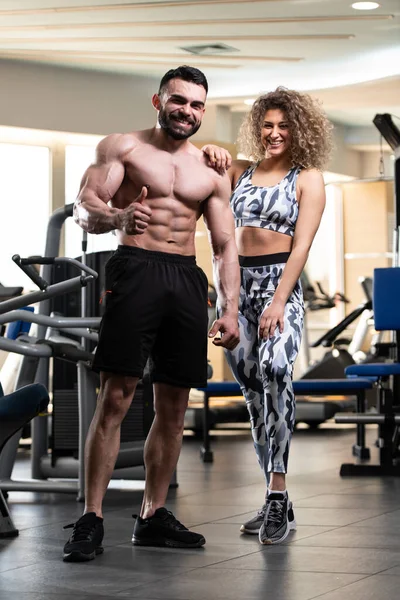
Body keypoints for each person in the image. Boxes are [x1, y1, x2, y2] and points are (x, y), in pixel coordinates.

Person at [62, 65, 240, 562]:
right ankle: (91, 518)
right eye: (178, 100)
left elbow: (226, 246)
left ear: (204, 111)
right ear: (158, 101)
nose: (187, 110)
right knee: (117, 396)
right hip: (136, 267)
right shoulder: (122, 148)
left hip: (185, 278)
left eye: (197, 104)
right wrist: (118, 216)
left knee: (175, 405)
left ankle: (152, 515)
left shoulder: (211, 168)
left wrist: (231, 310)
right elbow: (83, 207)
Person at [202, 87, 333, 545]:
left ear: (299, 128)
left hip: (280, 288)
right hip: (239, 291)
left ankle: (278, 493)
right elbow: (205, 172)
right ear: (258, 127)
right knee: (255, 400)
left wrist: (279, 300)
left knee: (277, 371)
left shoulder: (308, 177)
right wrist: (213, 150)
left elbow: (302, 245)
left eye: (284, 125)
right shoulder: (242, 171)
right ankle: (274, 496)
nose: (275, 133)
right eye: (268, 125)